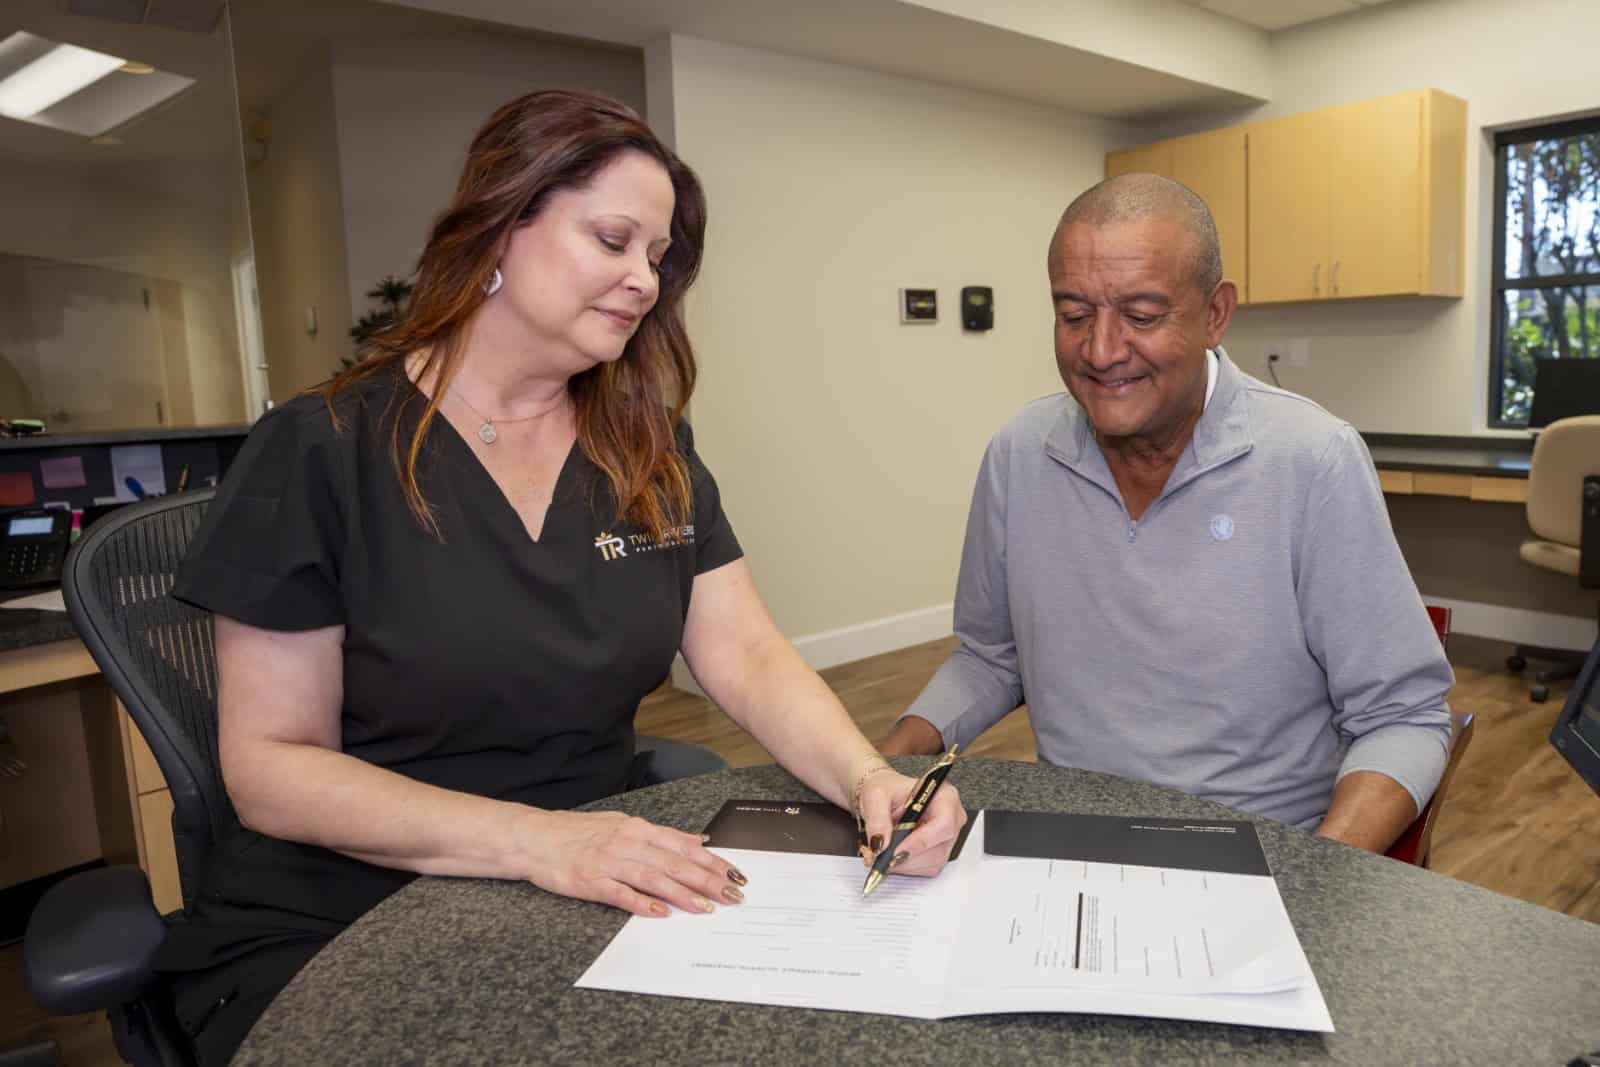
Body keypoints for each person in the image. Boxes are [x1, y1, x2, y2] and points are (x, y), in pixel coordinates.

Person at [163, 89, 963, 1065]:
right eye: (614, 239)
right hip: (346, 898)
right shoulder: (322, 449)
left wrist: (869, 777)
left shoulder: (646, 450)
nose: (642, 279)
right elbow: (272, 769)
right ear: (502, 225)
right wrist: (540, 843)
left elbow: (745, 654)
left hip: (589, 868)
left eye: (657, 258)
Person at [881, 173, 1451, 852]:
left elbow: (1405, 716)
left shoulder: (1313, 461)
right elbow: (990, 658)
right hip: (1069, 844)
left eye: (1142, 315)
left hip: (1260, 855)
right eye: (1074, 314)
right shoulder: (1019, 455)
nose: (1101, 350)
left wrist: (1311, 881)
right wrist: (880, 767)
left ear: (1215, 313)